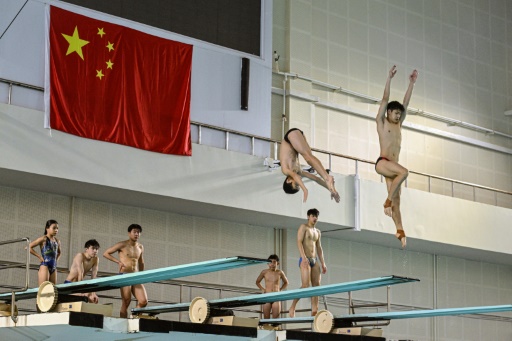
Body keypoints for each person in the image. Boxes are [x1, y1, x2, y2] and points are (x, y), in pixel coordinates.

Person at [375, 65, 418, 248]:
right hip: (383, 163)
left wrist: (411, 83)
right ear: (388, 113)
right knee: (404, 173)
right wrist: (389, 78)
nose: (399, 115)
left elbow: (406, 103)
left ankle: (399, 230)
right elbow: (385, 98)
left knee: (397, 202)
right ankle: (386, 200)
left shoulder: (399, 124)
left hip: (392, 168)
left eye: (400, 113)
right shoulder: (382, 122)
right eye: (395, 112)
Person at [280, 128, 340, 203]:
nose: (299, 183)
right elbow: (316, 179)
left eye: (296, 184)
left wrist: (305, 190)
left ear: (288, 181)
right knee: (309, 157)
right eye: (299, 185)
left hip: (290, 137)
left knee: (308, 158)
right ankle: (327, 178)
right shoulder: (298, 172)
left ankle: (327, 177)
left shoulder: (285, 170)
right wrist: (331, 190)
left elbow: (295, 176)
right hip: (297, 138)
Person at [103, 224, 147, 317]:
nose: (136, 234)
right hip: (125, 274)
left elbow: (141, 262)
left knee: (143, 301)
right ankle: (123, 322)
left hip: (136, 275)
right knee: (126, 301)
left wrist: (142, 275)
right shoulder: (122, 244)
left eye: (138, 232)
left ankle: (133, 318)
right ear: (129, 233)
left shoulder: (140, 247)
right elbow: (106, 253)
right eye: (134, 232)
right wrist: (118, 261)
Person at [288, 208, 326, 317]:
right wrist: (303, 257)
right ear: (308, 217)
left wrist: (323, 263)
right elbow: (299, 242)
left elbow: (319, 248)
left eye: (316, 216)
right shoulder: (303, 227)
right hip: (305, 259)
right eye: (313, 216)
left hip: (315, 260)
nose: (314, 218)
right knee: (305, 285)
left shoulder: (318, 232)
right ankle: (293, 306)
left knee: (317, 286)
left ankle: (315, 310)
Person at [64, 239, 101, 303]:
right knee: (86, 295)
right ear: (86, 249)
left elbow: (94, 277)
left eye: (97, 249)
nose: (95, 251)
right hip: (69, 285)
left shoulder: (96, 259)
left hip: (79, 285)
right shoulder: (80, 256)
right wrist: (81, 292)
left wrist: (93, 293)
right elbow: (80, 273)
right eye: (93, 248)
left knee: (93, 298)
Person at [255, 254, 289, 319]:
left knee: (275, 319)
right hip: (267, 296)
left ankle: (275, 328)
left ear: (277, 263)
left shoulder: (280, 272)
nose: (272, 264)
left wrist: (280, 289)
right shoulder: (264, 272)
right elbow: (257, 282)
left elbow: (286, 282)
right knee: (266, 318)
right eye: (270, 262)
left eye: (274, 262)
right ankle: (266, 328)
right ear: (268, 263)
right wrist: (263, 289)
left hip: (276, 296)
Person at [29, 219, 62, 285]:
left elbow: (59, 252)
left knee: (52, 290)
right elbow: (28, 247)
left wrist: (56, 261)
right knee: (43, 289)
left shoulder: (57, 241)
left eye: (57, 228)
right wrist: (39, 257)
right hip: (45, 265)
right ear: (47, 228)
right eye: (54, 228)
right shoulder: (43, 239)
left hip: (54, 267)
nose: (56, 230)